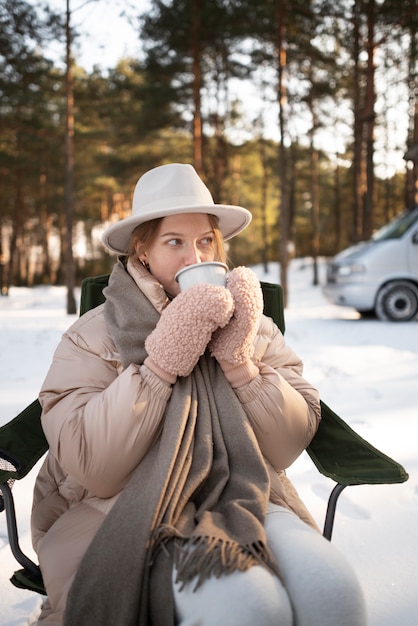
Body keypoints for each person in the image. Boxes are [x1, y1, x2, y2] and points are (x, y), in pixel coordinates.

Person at [31, 163, 367, 626]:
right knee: (248, 608)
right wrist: (161, 363)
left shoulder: (251, 325)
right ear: (142, 250)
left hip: (244, 491)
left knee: (333, 591)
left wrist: (240, 364)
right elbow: (96, 467)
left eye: (205, 240)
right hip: (130, 507)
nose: (195, 256)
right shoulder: (92, 336)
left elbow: (287, 445)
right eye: (174, 242)